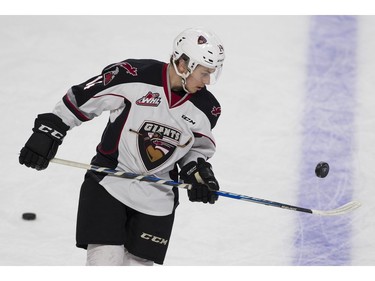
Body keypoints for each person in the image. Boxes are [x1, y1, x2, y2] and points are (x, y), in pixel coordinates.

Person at [19, 27, 225, 266]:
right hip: (108, 183)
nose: (209, 81)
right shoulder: (133, 75)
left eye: (212, 73)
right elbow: (84, 97)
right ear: (182, 64)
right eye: (204, 73)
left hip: (157, 199)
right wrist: (51, 129)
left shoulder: (207, 109)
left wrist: (197, 172)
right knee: (105, 262)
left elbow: (195, 149)